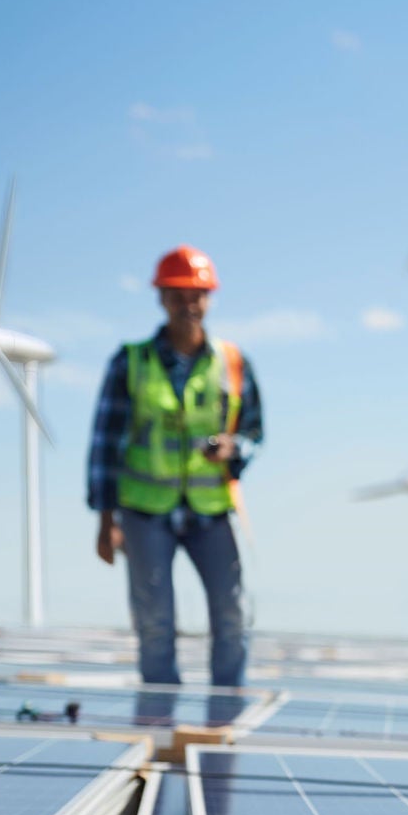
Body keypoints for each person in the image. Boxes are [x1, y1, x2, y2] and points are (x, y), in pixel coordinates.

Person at [87, 246, 261, 692]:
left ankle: (224, 720)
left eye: (197, 294)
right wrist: (106, 520)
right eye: (179, 294)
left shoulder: (233, 363)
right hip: (145, 510)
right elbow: (105, 443)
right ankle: (159, 723)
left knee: (232, 614)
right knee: (155, 621)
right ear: (162, 297)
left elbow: (254, 432)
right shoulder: (132, 361)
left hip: (212, 507)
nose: (189, 304)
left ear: (209, 298)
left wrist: (232, 447)